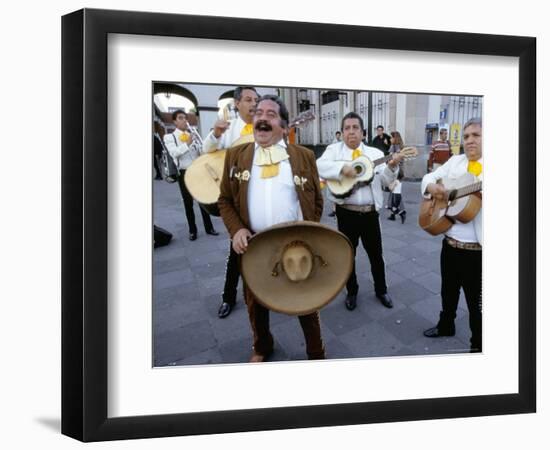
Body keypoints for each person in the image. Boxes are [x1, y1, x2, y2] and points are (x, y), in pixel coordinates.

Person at [218, 94, 326, 362]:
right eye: (258, 113)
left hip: (296, 244)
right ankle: (262, 347)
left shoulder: (304, 156)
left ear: (284, 125)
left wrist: (309, 233)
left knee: (306, 301)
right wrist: (237, 230)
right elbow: (225, 200)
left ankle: (316, 352)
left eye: (270, 114)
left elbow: (317, 200)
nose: (262, 118)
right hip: (253, 245)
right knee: (255, 303)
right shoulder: (236, 155)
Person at [317, 112, 403, 311]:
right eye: (347, 128)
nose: (351, 132)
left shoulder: (375, 154)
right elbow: (319, 165)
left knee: (376, 255)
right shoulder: (333, 150)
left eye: (355, 128)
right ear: (342, 132)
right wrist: (343, 169)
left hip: (370, 213)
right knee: (348, 255)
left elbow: (386, 181)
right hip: (345, 212)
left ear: (363, 133)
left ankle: (381, 290)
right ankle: (352, 292)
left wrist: (392, 167)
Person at [421, 118, 483, 352]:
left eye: (476, 135)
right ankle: (446, 325)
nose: (469, 140)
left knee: (477, 306)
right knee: (448, 291)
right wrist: (433, 188)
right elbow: (429, 178)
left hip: (478, 252)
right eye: (466, 136)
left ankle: (478, 347)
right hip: (449, 243)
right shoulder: (455, 161)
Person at [203, 87, 259, 319]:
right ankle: (228, 297)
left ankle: (267, 293)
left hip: (259, 194)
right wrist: (215, 134)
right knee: (237, 249)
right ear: (237, 104)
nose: (253, 103)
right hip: (236, 198)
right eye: (248, 99)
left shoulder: (264, 124)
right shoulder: (230, 128)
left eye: (256, 99)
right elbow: (208, 150)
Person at [163, 109, 218, 241]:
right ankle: (192, 230)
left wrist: (201, 147)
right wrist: (187, 144)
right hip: (184, 172)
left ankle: (209, 228)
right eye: (181, 118)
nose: (184, 121)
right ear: (175, 121)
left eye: (185, 118)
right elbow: (174, 153)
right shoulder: (169, 137)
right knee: (188, 203)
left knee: (203, 200)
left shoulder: (192, 134)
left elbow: (200, 153)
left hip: (198, 171)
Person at [387, 131, 406, 223]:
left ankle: (400, 212)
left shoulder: (396, 148)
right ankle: (393, 214)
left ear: (395, 138)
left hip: (396, 173)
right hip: (396, 172)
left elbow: (393, 161)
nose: (390, 139)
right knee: (393, 193)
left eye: (391, 137)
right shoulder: (397, 147)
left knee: (396, 193)